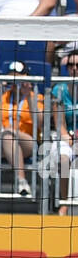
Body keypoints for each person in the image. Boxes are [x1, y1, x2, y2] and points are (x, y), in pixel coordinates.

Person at [0, 62, 44, 196]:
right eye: (12, 79)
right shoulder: (1, 96)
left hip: (27, 141)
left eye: (18, 79)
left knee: (7, 134)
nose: (15, 83)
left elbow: (40, 123)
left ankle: (22, 181)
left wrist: (27, 96)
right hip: (3, 140)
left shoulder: (36, 97)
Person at [50, 50, 78, 214]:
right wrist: (68, 137)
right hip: (65, 136)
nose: (74, 68)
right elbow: (58, 121)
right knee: (64, 158)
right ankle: (64, 202)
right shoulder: (59, 89)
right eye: (71, 65)